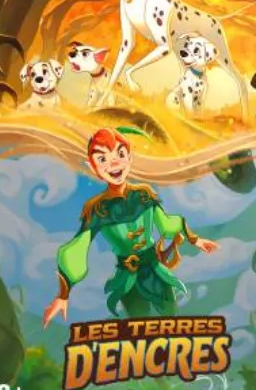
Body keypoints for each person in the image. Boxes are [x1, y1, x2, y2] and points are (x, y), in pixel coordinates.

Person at [43, 128, 219, 326]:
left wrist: (195, 239)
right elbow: (76, 249)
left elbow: (167, 224)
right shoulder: (98, 209)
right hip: (127, 278)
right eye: (102, 159)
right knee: (139, 326)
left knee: (171, 320)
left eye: (120, 154)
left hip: (156, 270)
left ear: (129, 157)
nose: (114, 163)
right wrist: (63, 295)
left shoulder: (144, 195)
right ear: (93, 167)